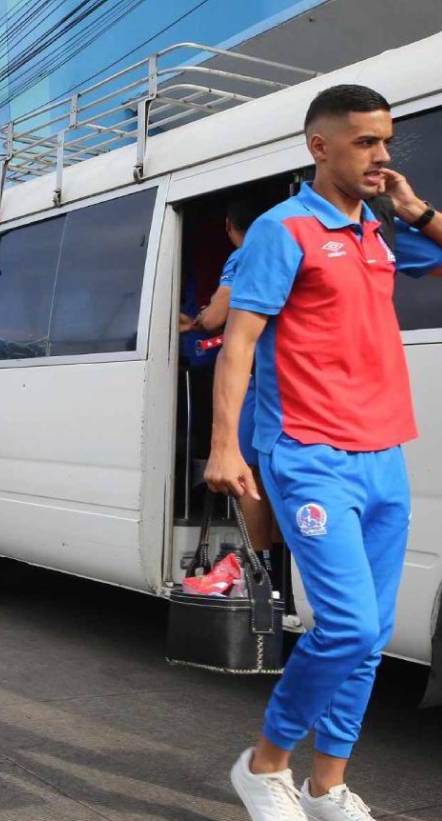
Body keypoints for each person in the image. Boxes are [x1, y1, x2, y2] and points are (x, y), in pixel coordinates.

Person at [206, 84, 442, 821]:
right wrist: (225, 446)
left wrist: (416, 206)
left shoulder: (381, 230)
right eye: (365, 142)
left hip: (385, 454)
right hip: (309, 453)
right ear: (318, 146)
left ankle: (326, 788)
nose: (382, 155)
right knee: (349, 625)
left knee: (370, 641)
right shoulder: (283, 229)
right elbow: (237, 341)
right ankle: (265, 765)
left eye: (387, 141)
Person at [192, 193, 278, 568]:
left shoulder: (243, 254)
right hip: (286, 381)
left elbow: (215, 318)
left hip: (258, 382)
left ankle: (261, 570)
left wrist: (198, 319)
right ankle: (282, 569)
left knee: (251, 479)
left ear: (229, 226)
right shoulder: (286, 245)